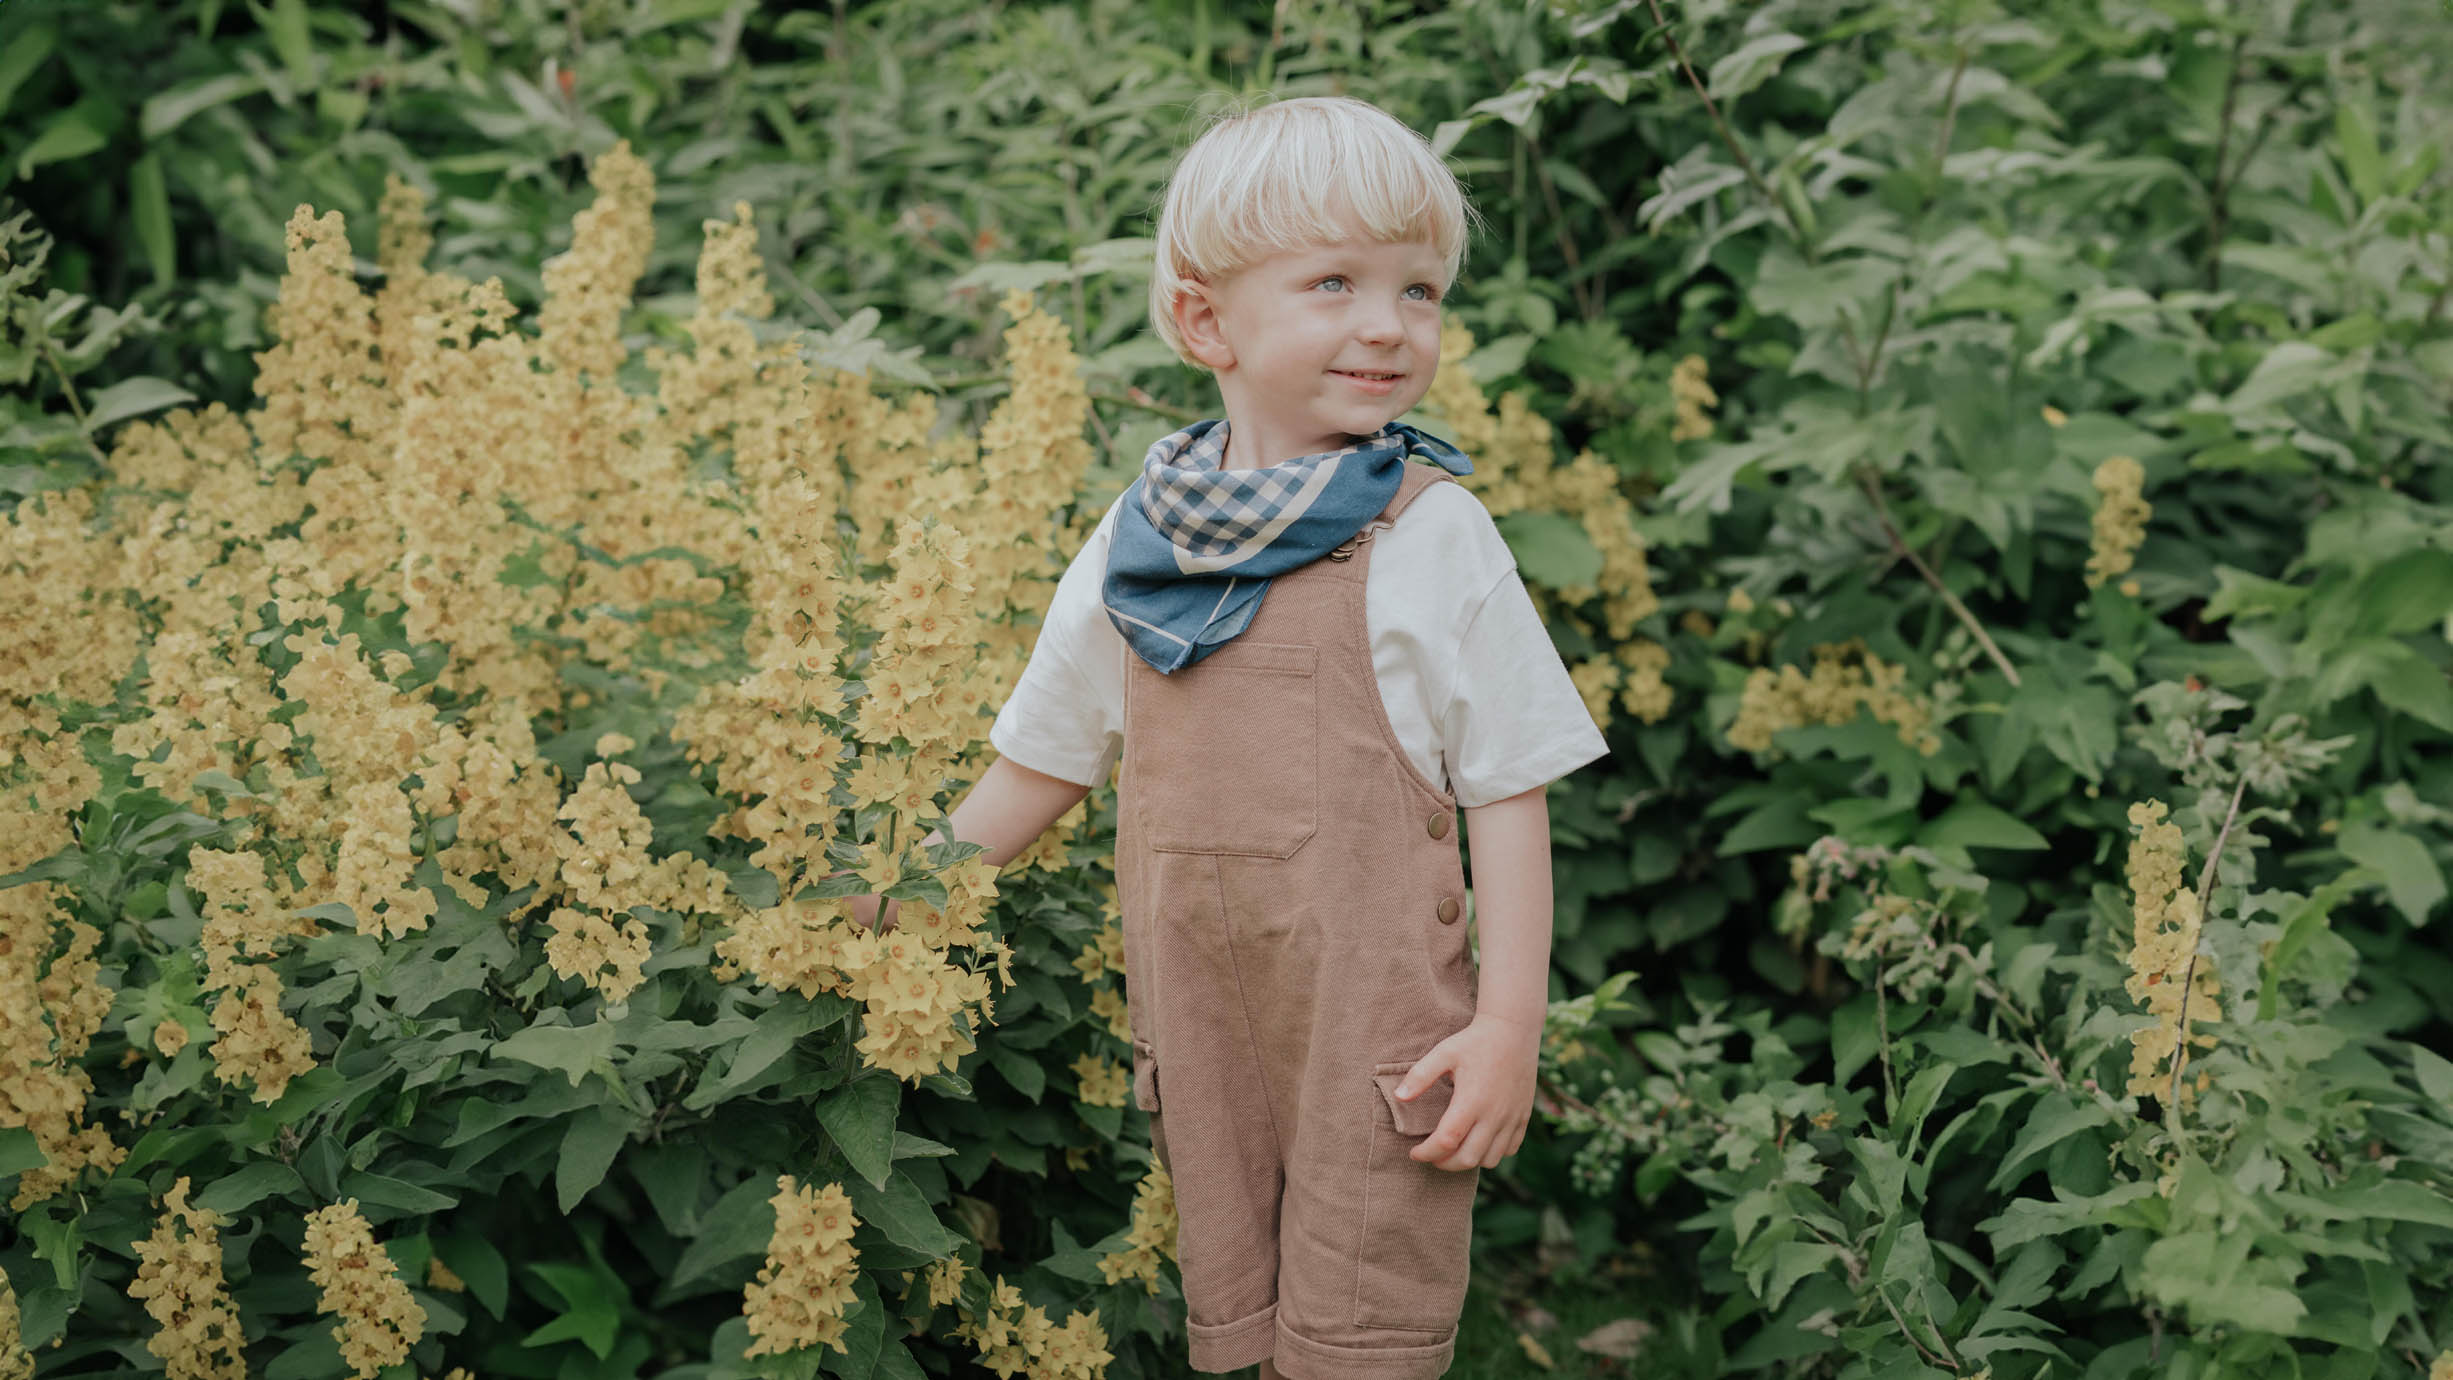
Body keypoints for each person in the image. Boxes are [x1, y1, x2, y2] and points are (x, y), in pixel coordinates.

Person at [853, 94, 1607, 1380]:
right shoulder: (1136, 543)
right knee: (1247, 1322)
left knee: (1360, 1333)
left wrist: (1506, 1026)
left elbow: (1509, 785)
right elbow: (1044, 761)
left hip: (1378, 1033)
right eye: (1333, 283)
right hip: (1203, 1024)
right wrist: (885, 903)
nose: (1388, 323)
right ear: (1206, 321)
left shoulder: (1430, 534)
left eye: (1418, 290)